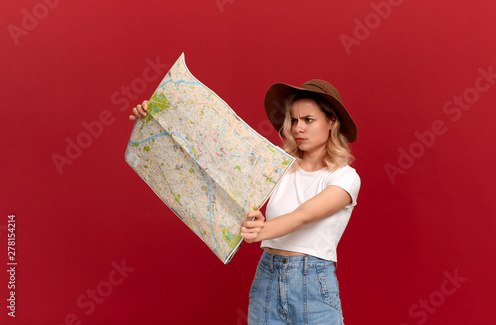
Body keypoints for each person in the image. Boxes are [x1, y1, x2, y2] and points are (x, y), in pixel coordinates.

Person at [129, 79, 360, 325]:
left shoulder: (345, 177)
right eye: (293, 120)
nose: (298, 128)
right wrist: (158, 115)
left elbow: (303, 215)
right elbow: (214, 158)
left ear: (331, 121)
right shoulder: (278, 168)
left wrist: (262, 230)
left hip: (313, 282)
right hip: (268, 277)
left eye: (308, 120)